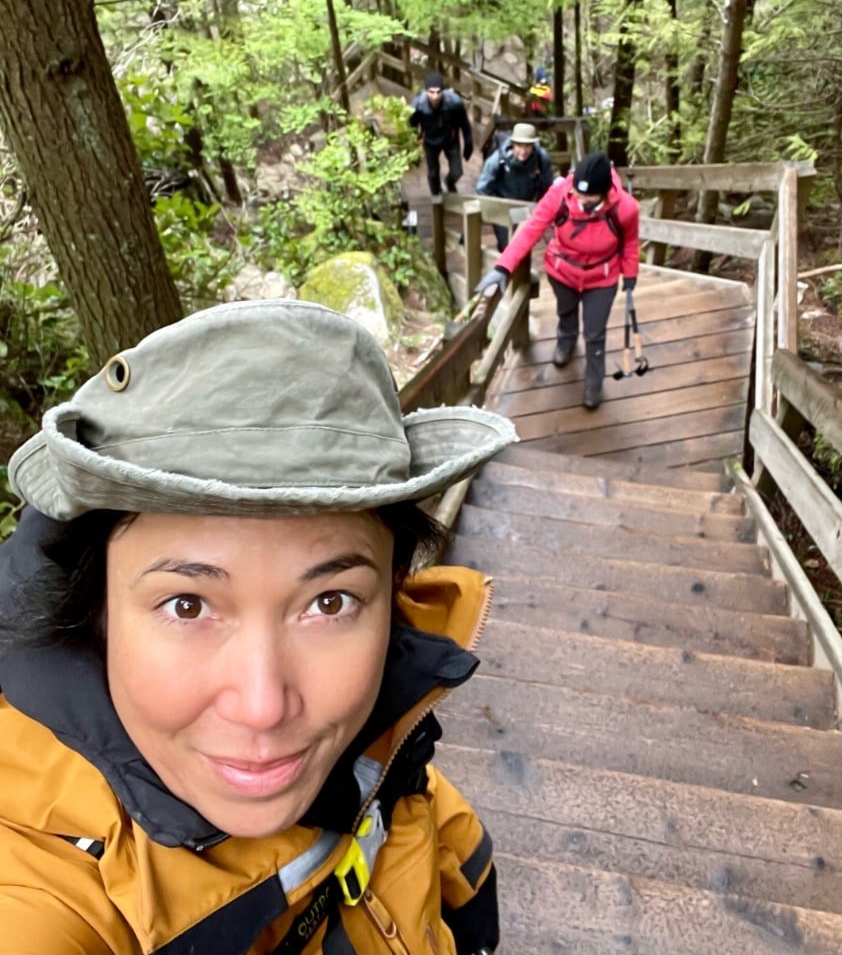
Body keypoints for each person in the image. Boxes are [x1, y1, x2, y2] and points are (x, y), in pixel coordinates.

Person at [0, 299, 516, 954]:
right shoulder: (40, 890)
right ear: (95, 607)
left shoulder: (387, 734)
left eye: (330, 603)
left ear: (392, 594)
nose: (264, 708)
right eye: (187, 605)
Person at [475, 152, 639, 411]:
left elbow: (629, 243)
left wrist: (630, 276)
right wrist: (503, 267)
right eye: (578, 193)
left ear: (605, 193)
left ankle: (594, 383)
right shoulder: (561, 194)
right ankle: (566, 341)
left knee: (595, 333)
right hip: (563, 271)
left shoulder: (625, 208)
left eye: (589, 197)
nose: (581, 200)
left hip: (602, 277)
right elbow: (532, 228)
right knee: (566, 312)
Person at [476, 122, 554, 252]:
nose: (523, 152)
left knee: (523, 246)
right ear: (513, 144)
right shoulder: (497, 160)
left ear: (533, 145)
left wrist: (540, 210)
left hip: (525, 207)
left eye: (527, 146)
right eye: (519, 146)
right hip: (502, 207)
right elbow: (482, 188)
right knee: (507, 247)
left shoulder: (541, 158)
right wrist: (492, 210)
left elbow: (548, 187)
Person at [408, 72, 474, 195]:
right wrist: (414, 144)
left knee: (457, 171)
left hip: (450, 139)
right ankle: (436, 194)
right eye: (431, 92)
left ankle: (449, 182)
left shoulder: (454, 103)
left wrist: (468, 142)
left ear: (443, 91)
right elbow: (411, 125)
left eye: (438, 92)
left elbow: (464, 123)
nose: (435, 96)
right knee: (433, 173)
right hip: (430, 142)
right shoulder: (418, 106)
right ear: (426, 91)